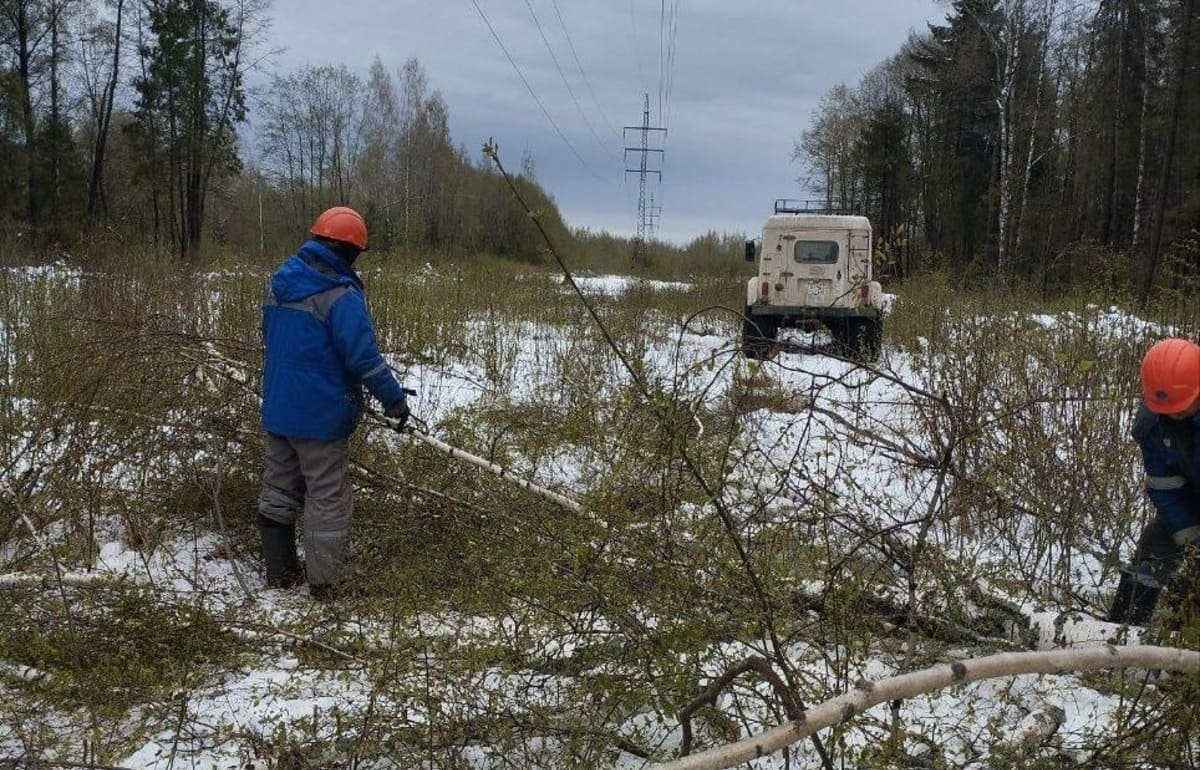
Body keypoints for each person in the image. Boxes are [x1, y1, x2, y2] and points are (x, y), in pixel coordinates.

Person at [256, 206, 411, 600]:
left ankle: (279, 575)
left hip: (278, 408)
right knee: (327, 498)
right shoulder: (340, 296)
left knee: (278, 489)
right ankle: (326, 587)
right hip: (319, 417)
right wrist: (393, 399)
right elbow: (362, 358)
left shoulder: (278, 284)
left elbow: (270, 341)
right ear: (347, 251)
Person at [1107, 337, 1200, 625]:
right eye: (1168, 407)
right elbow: (1165, 486)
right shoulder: (1151, 424)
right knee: (1155, 548)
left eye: (1183, 406)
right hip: (1190, 496)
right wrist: (1192, 541)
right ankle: (1119, 637)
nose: (1175, 413)